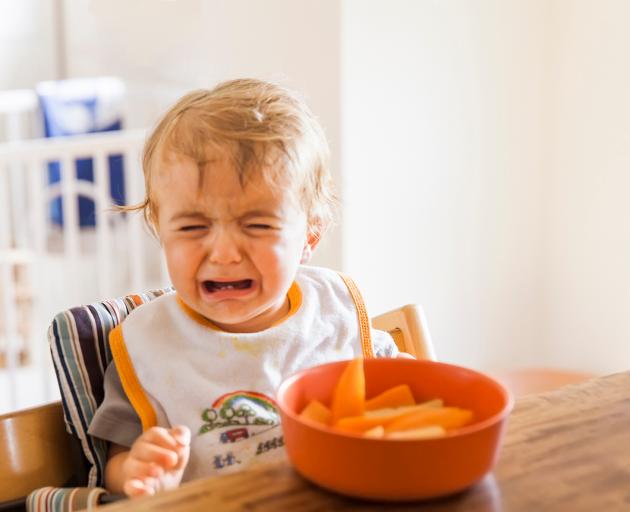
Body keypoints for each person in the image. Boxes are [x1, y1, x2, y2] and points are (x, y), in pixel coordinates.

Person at [88, 78, 402, 498]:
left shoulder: (333, 313)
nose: (224, 252)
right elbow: (116, 463)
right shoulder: (150, 344)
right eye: (193, 227)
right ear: (159, 229)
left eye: (257, 225)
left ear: (310, 235)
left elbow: (406, 394)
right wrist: (138, 471)